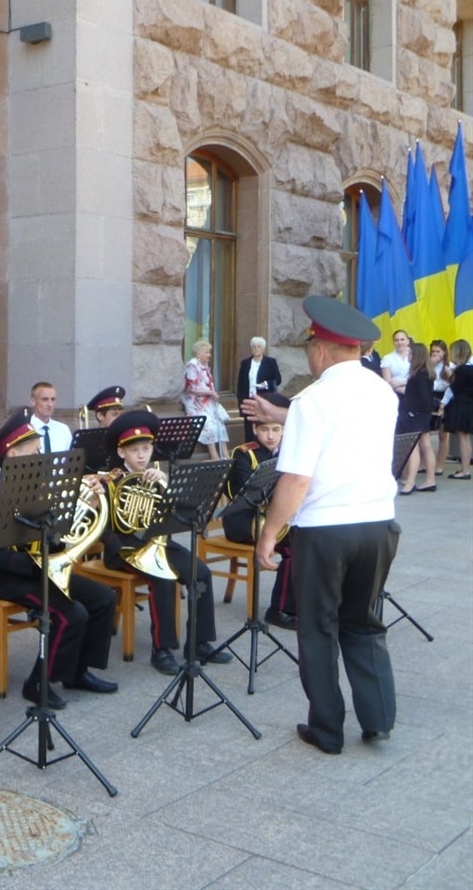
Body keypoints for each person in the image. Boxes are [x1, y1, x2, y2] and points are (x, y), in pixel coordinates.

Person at [256, 296, 400, 755]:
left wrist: (268, 533)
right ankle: (378, 719)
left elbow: (296, 479)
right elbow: (348, 433)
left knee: (317, 627)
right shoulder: (381, 389)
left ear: (320, 349)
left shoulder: (313, 398)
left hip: (325, 530)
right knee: (363, 622)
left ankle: (326, 729)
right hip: (377, 522)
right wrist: (286, 416)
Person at [0, 407, 118, 707]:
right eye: (35, 451)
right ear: (15, 456)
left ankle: (78, 672)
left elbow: (63, 534)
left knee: (104, 598)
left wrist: (92, 502)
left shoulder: (44, 493)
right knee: (70, 614)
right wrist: (35, 567)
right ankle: (37, 682)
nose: (42, 456)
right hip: (12, 579)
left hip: (46, 570)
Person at [101, 409, 231, 675]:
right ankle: (162, 649)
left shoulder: (157, 477)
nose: (141, 455)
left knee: (201, 572)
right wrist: (118, 546)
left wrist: (166, 483)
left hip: (159, 543)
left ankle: (200, 642)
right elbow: (102, 527)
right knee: (164, 580)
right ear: (122, 452)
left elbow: (176, 514)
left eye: (146, 448)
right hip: (126, 549)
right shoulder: (110, 481)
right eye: (134, 450)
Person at [222, 392, 295, 629]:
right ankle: (279, 609)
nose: (271, 436)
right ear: (255, 429)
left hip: (270, 518)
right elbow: (249, 494)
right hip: (242, 521)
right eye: (265, 430)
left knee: (306, 540)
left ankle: (294, 604)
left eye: (276, 429)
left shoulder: (289, 452)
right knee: (294, 545)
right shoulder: (244, 454)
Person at [396, 342, 437, 495]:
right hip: (422, 415)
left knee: (413, 448)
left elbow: (421, 397)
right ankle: (430, 479)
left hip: (415, 415)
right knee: (426, 446)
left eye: (411, 353)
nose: (408, 355)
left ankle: (410, 482)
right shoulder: (427, 371)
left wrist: (411, 409)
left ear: (417, 355)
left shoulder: (419, 374)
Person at [181, 340, 229, 460]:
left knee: (220, 423)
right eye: (207, 352)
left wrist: (211, 393)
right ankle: (214, 456)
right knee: (208, 424)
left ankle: (226, 455)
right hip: (195, 403)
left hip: (208, 402)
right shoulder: (192, 365)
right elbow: (192, 388)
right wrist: (210, 392)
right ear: (199, 353)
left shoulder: (204, 366)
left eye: (209, 352)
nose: (209, 355)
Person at [236, 337, 282, 443]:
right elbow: (241, 384)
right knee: (249, 427)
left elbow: (278, 379)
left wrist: (266, 384)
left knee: (261, 426)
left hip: (263, 400)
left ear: (263, 349)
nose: (256, 349)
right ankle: (249, 451)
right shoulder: (246, 363)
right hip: (249, 400)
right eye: (254, 347)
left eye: (258, 347)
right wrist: (240, 404)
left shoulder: (270, 362)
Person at [443, 338, 473, 479]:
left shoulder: (461, 370)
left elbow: (455, 388)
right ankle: (465, 469)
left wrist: (450, 377)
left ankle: (465, 470)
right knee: (466, 439)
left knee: (462, 439)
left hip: (461, 406)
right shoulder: (470, 368)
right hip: (469, 405)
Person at [28, 381, 71, 453]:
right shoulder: (25, 430)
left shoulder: (63, 430)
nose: (50, 404)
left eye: (53, 399)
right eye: (45, 399)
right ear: (33, 401)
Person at [430, 340, 452, 476]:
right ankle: (425, 463)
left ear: (444, 352)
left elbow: (448, 385)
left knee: (443, 434)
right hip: (431, 397)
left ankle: (440, 464)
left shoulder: (449, 366)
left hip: (444, 398)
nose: (435, 354)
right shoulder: (429, 365)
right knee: (427, 431)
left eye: (438, 351)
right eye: (433, 351)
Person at [380, 329, 411, 396]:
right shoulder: (387, 358)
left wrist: (401, 383)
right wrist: (405, 391)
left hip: (414, 393)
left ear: (408, 341)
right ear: (393, 342)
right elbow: (388, 383)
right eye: (396, 340)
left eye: (402, 339)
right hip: (395, 394)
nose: (399, 342)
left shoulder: (415, 355)